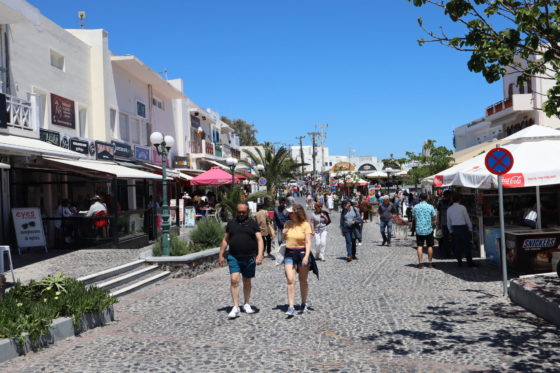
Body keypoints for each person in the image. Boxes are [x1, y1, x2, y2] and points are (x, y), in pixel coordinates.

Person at [218, 202, 264, 319]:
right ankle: (235, 306)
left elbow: (259, 239)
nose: (241, 214)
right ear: (236, 212)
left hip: (249, 257)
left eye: (244, 212)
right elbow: (225, 239)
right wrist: (221, 254)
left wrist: (260, 255)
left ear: (247, 212)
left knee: (247, 281)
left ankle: (246, 303)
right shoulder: (231, 223)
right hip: (234, 256)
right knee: (234, 280)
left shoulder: (253, 224)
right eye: (239, 212)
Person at [282, 204, 313, 316]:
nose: (289, 214)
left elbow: (308, 242)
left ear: (297, 213)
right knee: (290, 279)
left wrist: (306, 256)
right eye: (289, 212)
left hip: (301, 253)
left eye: (291, 212)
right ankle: (291, 306)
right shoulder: (287, 223)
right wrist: (283, 234)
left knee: (303, 280)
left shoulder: (305, 225)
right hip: (289, 253)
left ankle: (303, 303)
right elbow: (285, 239)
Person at [447, 194, 476, 267]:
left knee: (457, 245)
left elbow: (448, 221)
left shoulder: (449, 209)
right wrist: (470, 227)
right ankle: (469, 262)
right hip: (463, 227)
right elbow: (467, 218)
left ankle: (459, 261)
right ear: (459, 200)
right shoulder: (462, 207)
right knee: (467, 245)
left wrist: (450, 231)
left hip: (455, 228)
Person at [412, 193, 436, 269]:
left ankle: (420, 263)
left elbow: (414, 217)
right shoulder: (430, 207)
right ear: (427, 198)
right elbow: (434, 217)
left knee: (419, 246)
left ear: (420, 198)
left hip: (419, 229)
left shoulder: (416, 207)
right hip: (428, 228)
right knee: (430, 246)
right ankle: (430, 263)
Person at [436, 190, 453, 258]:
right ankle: (449, 252)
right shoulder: (451, 203)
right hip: (450, 222)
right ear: (449, 195)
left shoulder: (440, 202)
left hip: (443, 222)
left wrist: (438, 222)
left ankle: (445, 252)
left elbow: (438, 213)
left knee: (444, 238)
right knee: (450, 238)